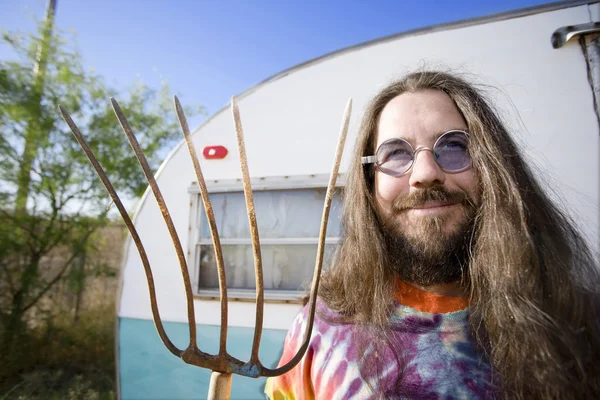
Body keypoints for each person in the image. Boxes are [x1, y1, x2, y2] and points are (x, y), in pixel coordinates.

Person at [264, 71, 600, 399]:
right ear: (369, 184)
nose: (425, 173)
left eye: (454, 146)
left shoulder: (579, 322)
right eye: (395, 153)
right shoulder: (319, 328)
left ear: (494, 168)